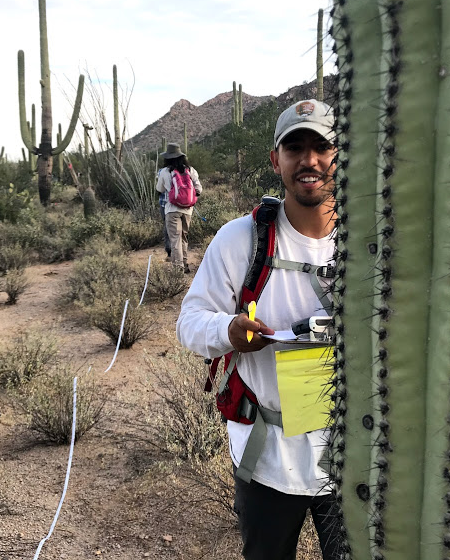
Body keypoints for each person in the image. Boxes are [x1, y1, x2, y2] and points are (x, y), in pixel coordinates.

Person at [176, 100, 341, 560]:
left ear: (339, 155)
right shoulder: (241, 239)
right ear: (276, 160)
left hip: (353, 454)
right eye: (295, 148)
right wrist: (229, 330)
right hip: (270, 457)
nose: (309, 160)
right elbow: (189, 322)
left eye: (321, 147)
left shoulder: (372, 241)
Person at [156, 143, 202, 273]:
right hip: (188, 210)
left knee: (175, 238)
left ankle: (178, 268)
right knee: (184, 237)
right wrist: (190, 197)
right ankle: (185, 263)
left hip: (171, 209)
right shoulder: (190, 170)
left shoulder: (165, 171)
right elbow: (199, 189)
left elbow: (159, 189)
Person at [156, 156, 174, 257]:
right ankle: (181, 256)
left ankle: (169, 251)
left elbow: (159, 188)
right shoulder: (185, 169)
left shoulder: (162, 171)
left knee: (167, 227)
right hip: (183, 204)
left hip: (165, 203)